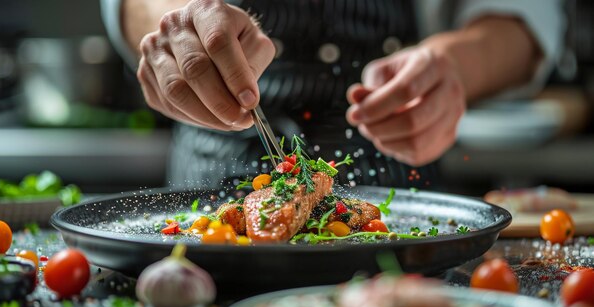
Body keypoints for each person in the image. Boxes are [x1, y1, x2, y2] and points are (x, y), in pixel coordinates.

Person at [101, 0, 563, 190]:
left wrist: (456, 65)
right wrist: (180, 29)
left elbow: (528, 18)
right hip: (207, 194)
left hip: (402, 204)